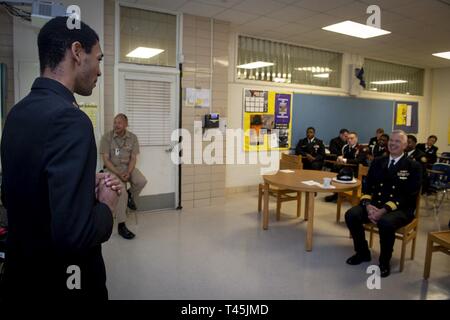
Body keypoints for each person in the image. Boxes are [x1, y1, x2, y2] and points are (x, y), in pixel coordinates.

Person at [0, 17, 121, 300]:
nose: (100, 71)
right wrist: (106, 205)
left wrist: (77, 183)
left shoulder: (16, 114)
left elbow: (14, 192)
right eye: (98, 59)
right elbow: (74, 237)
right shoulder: (71, 119)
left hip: (21, 275)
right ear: (77, 52)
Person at [345, 130, 422, 278]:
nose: (392, 143)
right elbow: (368, 186)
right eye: (391, 140)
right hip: (375, 204)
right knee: (351, 215)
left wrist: (384, 210)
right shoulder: (378, 161)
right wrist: (367, 205)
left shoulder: (413, 166)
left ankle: (384, 262)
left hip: (400, 208)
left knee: (385, 223)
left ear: (405, 145)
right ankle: (362, 253)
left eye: (397, 141)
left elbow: (409, 196)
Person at [100, 113, 147, 240]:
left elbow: (133, 158)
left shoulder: (133, 138)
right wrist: (118, 173)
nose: (116, 125)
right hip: (111, 170)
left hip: (127, 168)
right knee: (122, 193)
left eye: (119, 123)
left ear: (126, 124)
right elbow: (105, 160)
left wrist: (128, 171)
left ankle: (130, 194)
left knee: (141, 181)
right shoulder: (106, 137)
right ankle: (121, 225)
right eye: (115, 122)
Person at [325, 132, 369, 202]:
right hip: (347, 168)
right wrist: (339, 158)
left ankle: (340, 194)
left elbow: (358, 160)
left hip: (358, 169)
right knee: (335, 169)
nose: (349, 140)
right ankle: (337, 193)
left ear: (356, 139)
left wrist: (345, 160)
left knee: (343, 173)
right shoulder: (345, 147)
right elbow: (342, 156)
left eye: (351, 138)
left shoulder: (361, 148)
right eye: (348, 138)